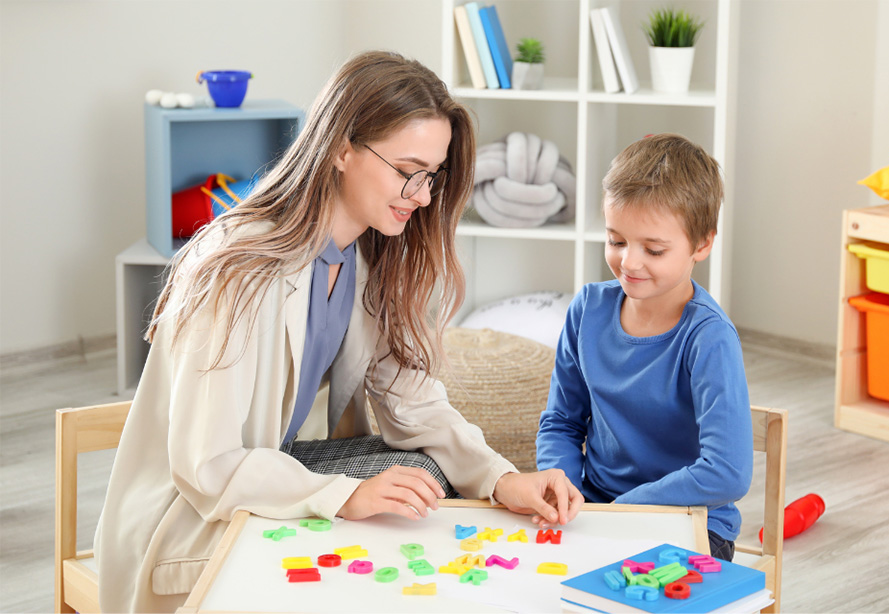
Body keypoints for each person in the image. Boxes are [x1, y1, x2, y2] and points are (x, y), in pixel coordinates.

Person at [95, 50, 582, 612]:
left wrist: (502, 479)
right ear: (340, 148)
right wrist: (346, 493)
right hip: (192, 506)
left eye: (432, 176)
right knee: (398, 493)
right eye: (407, 172)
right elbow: (206, 465)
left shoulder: (368, 260)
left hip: (270, 468)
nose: (423, 197)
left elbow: (417, 407)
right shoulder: (233, 265)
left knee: (424, 473)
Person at [535, 133, 752, 561]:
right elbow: (561, 422)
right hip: (597, 509)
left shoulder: (709, 338)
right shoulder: (587, 311)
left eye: (653, 249)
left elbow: (727, 473)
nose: (629, 263)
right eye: (616, 241)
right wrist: (563, 486)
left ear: (702, 245)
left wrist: (624, 511)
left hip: (691, 521)